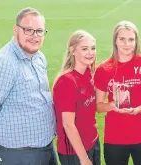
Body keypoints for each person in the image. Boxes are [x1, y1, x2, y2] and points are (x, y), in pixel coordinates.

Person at [0, 7, 57, 165]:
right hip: (18, 154)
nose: (34, 36)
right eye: (28, 30)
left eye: (39, 31)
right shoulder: (4, 63)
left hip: (45, 146)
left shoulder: (39, 57)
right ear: (16, 30)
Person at [94, 20, 141, 165]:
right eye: (122, 39)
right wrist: (111, 106)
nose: (126, 44)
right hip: (115, 138)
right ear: (115, 41)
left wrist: (136, 110)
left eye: (131, 40)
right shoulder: (104, 69)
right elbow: (98, 106)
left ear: (136, 41)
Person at [53, 30, 100, 165]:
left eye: (93, 48)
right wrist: (84, 158)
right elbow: (68, 125)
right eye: (84, 49)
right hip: (74, 151)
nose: (90, 53)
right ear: (72, 51)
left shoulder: (89, 74)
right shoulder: (67, 81)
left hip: (93, 142)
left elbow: (92, 108)